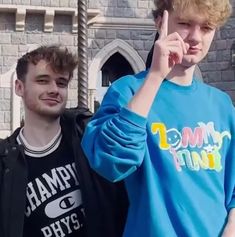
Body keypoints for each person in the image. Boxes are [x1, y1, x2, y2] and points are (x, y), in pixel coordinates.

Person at [81, 0, 235, 236]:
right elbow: (111, 162)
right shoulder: (128, 91)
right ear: (160, 22)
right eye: (185, 23)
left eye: (206, 28)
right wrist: (155, 76)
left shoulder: (222, 105)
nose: (195, 37)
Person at [0, 45, 128, 237]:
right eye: (42, 81)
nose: (54, 89)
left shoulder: (89, 136)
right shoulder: (5, 162)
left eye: (61, 83)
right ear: (19, 87)